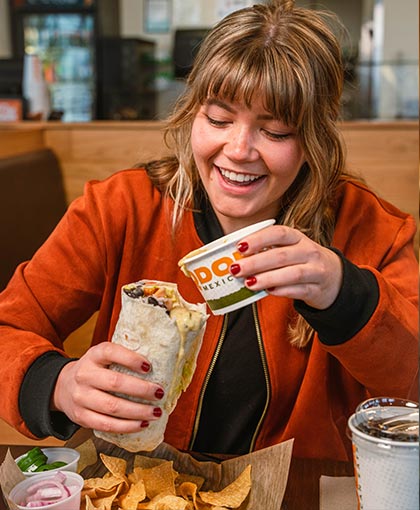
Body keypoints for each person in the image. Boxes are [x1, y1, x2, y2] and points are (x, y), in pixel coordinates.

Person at [0, 0, 417, 462]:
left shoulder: (371, 228)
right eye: (218, 119)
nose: (237, 150)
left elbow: (412, 382)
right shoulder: (122, 209)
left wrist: (345, 293)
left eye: (275, 131)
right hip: (140, 484)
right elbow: (9, 327)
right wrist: (56, 384)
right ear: (191, 114)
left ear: (314, 140)